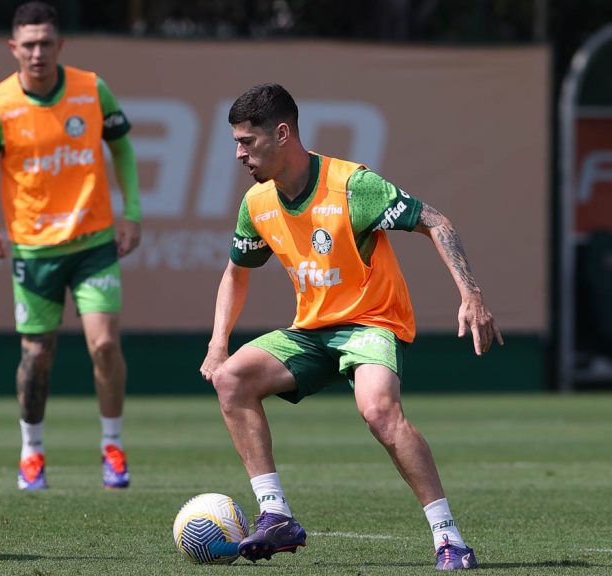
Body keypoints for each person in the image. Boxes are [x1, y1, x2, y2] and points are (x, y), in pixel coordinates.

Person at [199, 83, 502, 571]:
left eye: (246, 142)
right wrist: (218, 345)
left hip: (371, 323)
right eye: (236, 143)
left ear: (282, 134)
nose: (238, 154)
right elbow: (235, 275)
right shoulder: (257, 203)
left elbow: (437, 222)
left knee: (379, 412)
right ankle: (275, 516)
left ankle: (449, 538)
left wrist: (472, 296)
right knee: (231, 377)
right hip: (313, 331)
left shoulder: (351, 186)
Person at [0, 1, 142, 491]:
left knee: (104, 344)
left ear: (60, 46)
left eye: (46, 43)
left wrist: (133, 212)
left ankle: (113, 445)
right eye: (28, 44)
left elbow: (121, 147)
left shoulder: (90, 88)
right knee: (37, 355)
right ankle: (32, 451)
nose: (37, 52)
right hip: (35, 251)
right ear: (13, 47)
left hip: (94, 241)